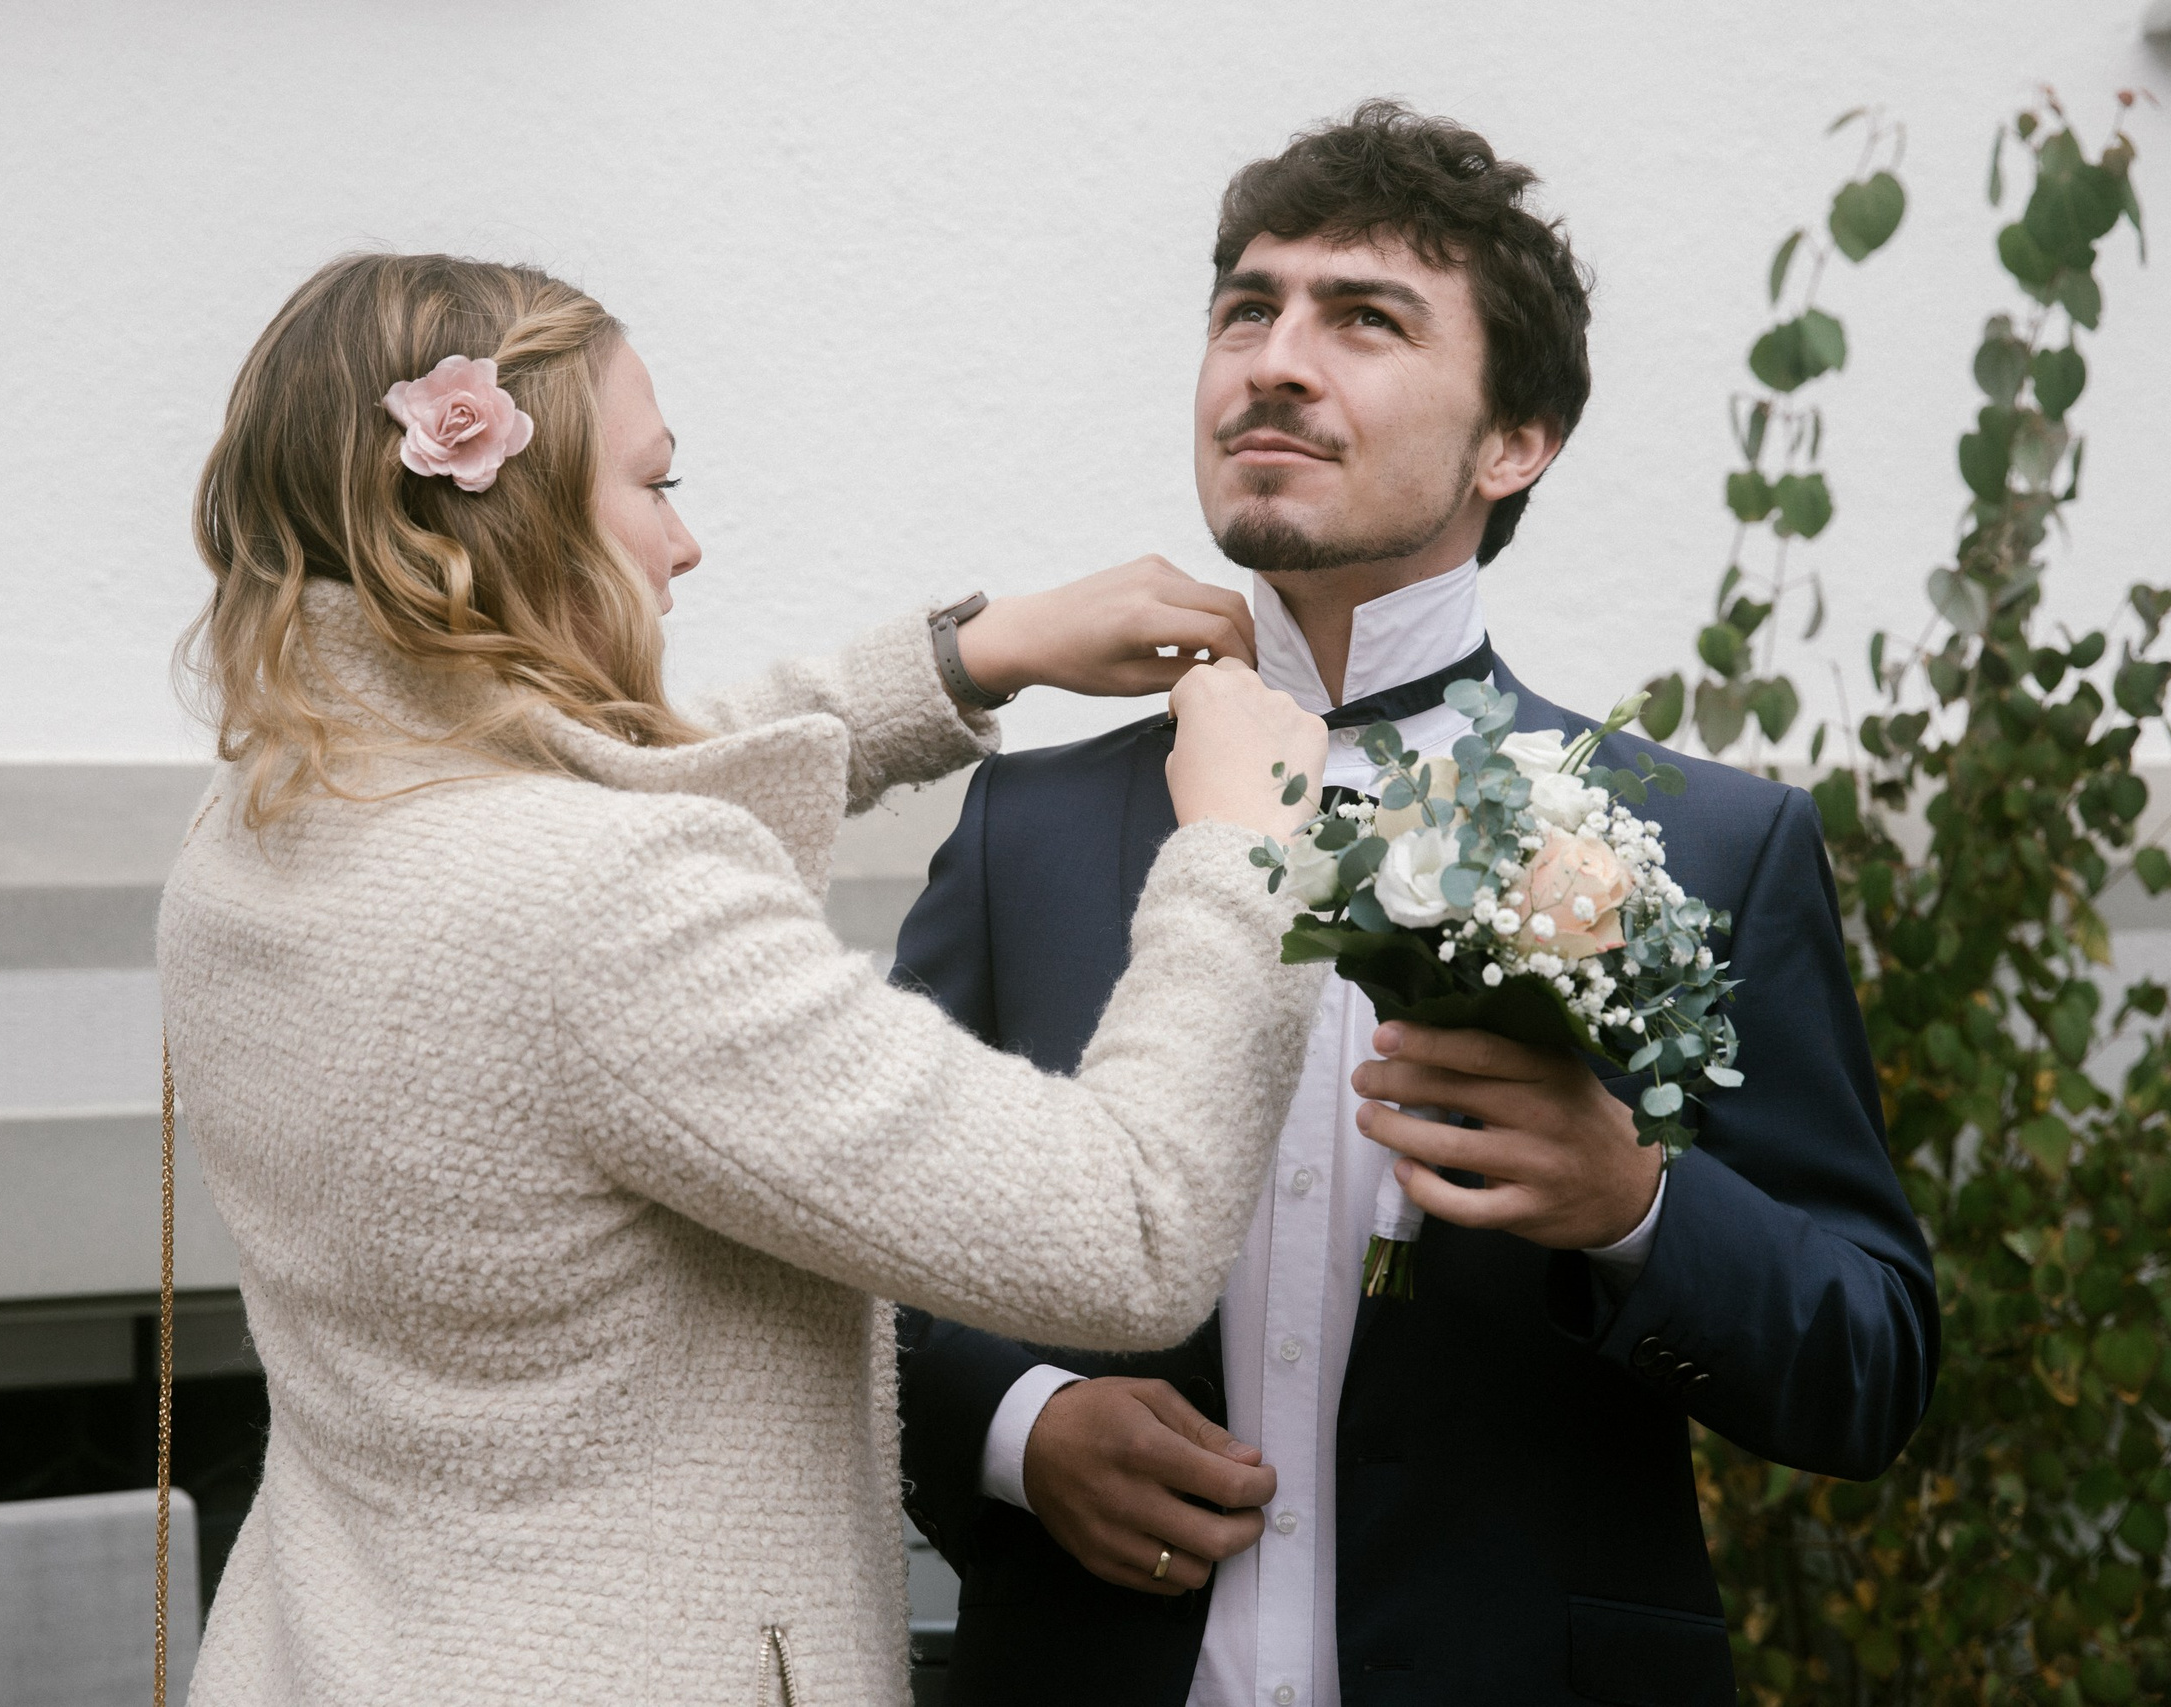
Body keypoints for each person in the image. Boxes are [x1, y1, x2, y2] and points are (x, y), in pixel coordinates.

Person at [158, 251, 1335, 1707]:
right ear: (508, 518)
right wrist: (1241, 853)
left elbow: (586, 763)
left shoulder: (266, 816)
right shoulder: (607, 906)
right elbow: (1128, 1229)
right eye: (655, 486)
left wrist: (968, 658)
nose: (687, 543)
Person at [893, 102, 1938, 1706]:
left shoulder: (1717, 844)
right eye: (1249, 307)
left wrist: (1638, 1207)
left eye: (1363, 318)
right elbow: (850, 1271)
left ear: (1514, 442)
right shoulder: (1023, 828)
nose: (1276, 360)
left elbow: (1871, 1370)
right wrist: (1023, 1430)